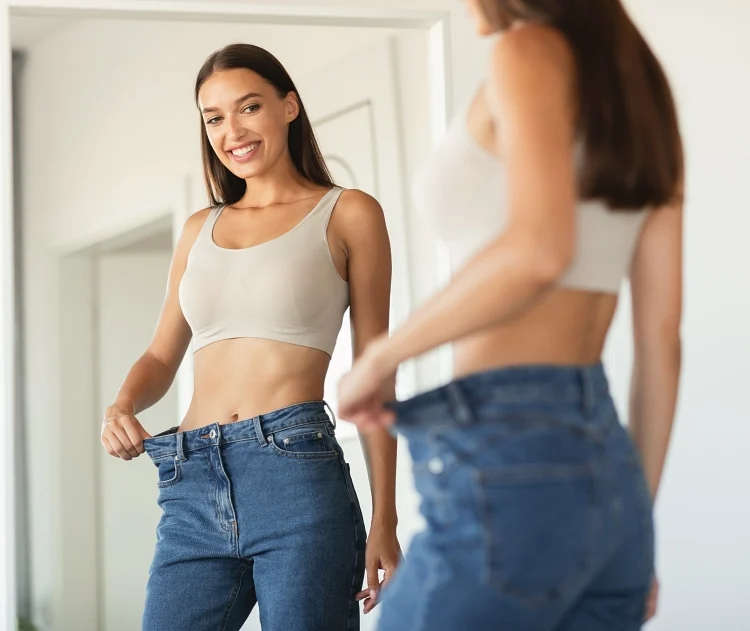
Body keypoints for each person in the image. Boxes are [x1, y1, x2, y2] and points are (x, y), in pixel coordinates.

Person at [338, 1, 683, 629]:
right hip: (610, 475)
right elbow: (661, 344)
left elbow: (541, 249)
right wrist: (632, 522)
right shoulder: (642, 91)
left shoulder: (528, 52)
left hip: (510, 445)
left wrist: (382, 356)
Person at [100, 43, 400, 631]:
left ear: (289, 107)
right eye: (213, 117)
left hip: (293, 472)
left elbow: (375, 371)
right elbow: (163, 353)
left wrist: (385, 515)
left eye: (249, 107)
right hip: (190, 479)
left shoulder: (348, 213)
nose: (231, 130)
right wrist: (122, 404)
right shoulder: (199, 228)